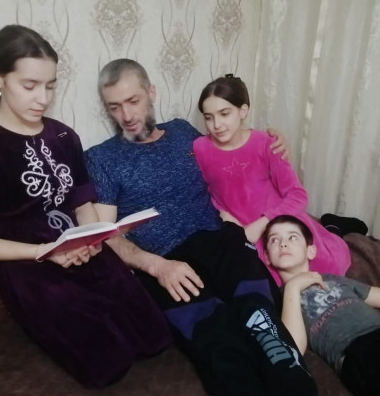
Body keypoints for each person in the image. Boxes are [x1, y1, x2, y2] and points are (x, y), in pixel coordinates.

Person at [85, 58, 318, 395]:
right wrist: (156, 266)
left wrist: (273, 141)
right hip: (168, 261)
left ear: (152, 93)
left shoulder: (182, 132)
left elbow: (232, 146)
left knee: (260, 316)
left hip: (220, 240)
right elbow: (106, 236)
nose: (127, 115)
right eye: (114, 106)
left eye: (133, 100)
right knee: (217, 339)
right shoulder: (102, 158)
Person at [0, 25, 171, 388]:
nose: (42, 98)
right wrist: (43, 251)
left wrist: (92, 238)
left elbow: (82, 203)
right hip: (30, 267)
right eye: (30, 85)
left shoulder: (63, 135)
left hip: (82, 251)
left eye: (50, 86)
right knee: (108, 362)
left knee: (155, 336)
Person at [194, 74, 352, 285]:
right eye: (208, 117)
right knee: (264, 282)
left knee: (325, 268)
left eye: (224, 114)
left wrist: (262, 224)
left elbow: (297, 195)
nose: (217, 124)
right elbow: (204, 191)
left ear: (243, 111)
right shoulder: (199, 148)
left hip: (277, 221)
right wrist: (227, 218)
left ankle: (334, 229)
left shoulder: (266, 143)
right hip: (241, 229)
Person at [263, 215, 380, 396]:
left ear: (310, 251)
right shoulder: (278, 299)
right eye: (274, 240)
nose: (283, 244)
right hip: (355, 352)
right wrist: (293, 287)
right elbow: (294, 349)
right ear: (267, 257)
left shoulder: (333, 279)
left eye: (292, 237)